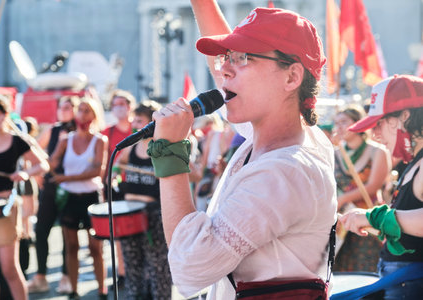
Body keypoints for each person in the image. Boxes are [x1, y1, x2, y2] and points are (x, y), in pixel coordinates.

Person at [147, 2, 337, 299]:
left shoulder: (285, 172)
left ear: (291, 77)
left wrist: (168, 152)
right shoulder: (283, 136)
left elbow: (190, 265)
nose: (223, 69)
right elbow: (227, 72)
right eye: (227, 57)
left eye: (243, 58)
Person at [340, 74, 423, 299]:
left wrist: (373, 217)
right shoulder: (413, 163)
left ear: (405, 117)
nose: (374, 134)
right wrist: (368, 220)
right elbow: (408, 230)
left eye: (380, 124)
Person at [0, 96, 49, 300]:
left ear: (4, 115)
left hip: (5, 205)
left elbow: (43, 164)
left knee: (9, 268)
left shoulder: (17, 141)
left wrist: (25, 173)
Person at [49, 97, 108, 300]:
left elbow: (97, 171)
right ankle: (73, 290)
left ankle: (102, 290)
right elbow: (52, 163)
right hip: (70, 198)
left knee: (95, 247)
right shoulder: (66, 139)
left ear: (94, 114)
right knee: (71, 246)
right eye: (80, 110)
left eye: (87, 110)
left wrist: (66, 177)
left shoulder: (100, 140)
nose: (82, 114)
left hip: (91, 197)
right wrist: (54, 154)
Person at [113, 100, 172, 299]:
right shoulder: (131, 147)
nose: (135, 125)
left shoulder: (161, 147)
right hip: (130, 212)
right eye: (135, 121)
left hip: (153, 213)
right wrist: (115, 173)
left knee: (157, 266)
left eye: (140, 121)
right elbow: (118, 164)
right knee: (132, 264)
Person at [27, 96, 78, 294]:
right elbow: (34, 150)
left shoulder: (79, 131)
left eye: (68, 107)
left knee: (68, 233)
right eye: (62, 108)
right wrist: (38, 172)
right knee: (41, 230)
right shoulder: (53, 129)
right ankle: (41, 276)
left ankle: (66, 276)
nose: (64, 111)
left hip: (70, 186)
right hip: (50, 186)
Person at [332, 105, 391, 272]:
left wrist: (343, 199)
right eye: (336, 123)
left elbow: (373, 186)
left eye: (344, 122)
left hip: (368, 218)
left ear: (359, 124)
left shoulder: (377, 151)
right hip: (342, 220)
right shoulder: (335, 152)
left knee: (366, 269)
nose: (339, 127)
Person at [101, 90, 135, 289]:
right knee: (119, 233)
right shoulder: (108, 132)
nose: (119, 108)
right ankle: (122, 272)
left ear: (129, 106)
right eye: (115, 104)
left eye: (123, 103)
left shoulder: (138, 128)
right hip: (114, 187)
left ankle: (139, 271)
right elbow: (104, 161)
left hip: (135, 185)